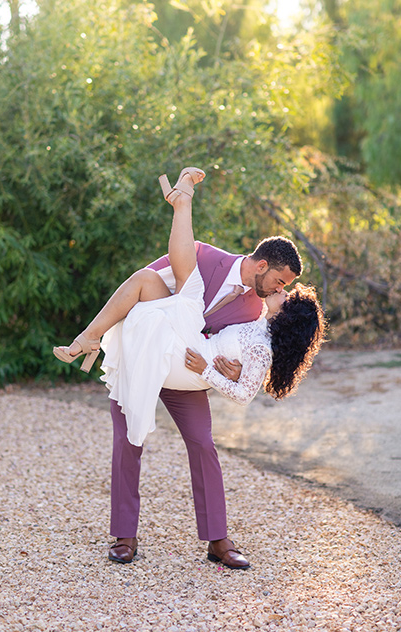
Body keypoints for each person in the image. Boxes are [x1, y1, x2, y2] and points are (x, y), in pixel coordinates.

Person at [54, 167, 324, 570]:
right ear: (262, 263)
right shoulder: (206, 256)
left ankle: (218, 541)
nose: (278, 290)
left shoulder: (254, 309)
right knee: (128, 440)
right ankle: (124, 537)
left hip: (188, 374)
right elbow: (145, 289)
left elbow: (236, 352)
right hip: (149, 351)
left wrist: (231, 372)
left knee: (203, 445)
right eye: (279, 280)